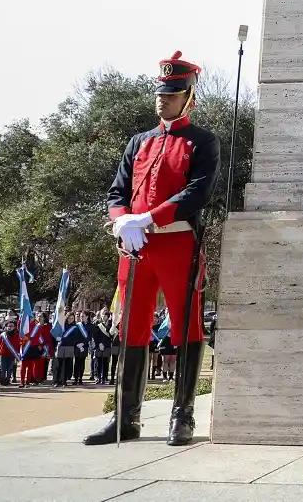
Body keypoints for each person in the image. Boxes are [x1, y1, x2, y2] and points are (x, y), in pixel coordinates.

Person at [83, 51, 219, 447]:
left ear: (188, 98)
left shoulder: (202, 141)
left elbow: (198, 191)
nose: (163, 100)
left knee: (186, 327)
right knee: (132, 329)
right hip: (135, 247)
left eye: (172, 94)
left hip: (177, 241)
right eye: (161, 94)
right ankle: (125, 417)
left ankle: (182, 415)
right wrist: (121, 221)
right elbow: (118, 191)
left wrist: (148, 218)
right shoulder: (139, 142)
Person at [0, 318, 21, 386]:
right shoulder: (3, 335)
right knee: (3, 368)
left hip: (12, 354)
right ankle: (2, 381)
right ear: (6, 327)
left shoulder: (17, 335)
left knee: (10, 368)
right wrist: (1, 349)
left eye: (11, 326)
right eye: (8, 326)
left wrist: (17, 354)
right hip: (3, 354)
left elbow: (18, 345)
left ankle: (7, 380)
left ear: (14, 327)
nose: (9, 327)